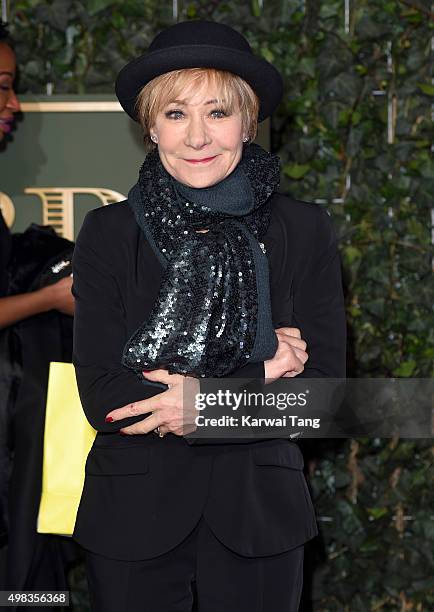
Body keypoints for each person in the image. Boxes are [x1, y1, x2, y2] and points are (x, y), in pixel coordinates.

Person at [72, 20, 346, 612]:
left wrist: (198, 401)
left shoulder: (303, 229)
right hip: (131, 519)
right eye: (175, 113)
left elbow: (324, 400)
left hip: (260, 517)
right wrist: (261, 368)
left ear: (248, 122)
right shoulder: (108, 234)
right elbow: (104, 396)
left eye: (218, 112)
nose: (198, 136)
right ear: (149, 126)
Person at [0, 21, 79, 598]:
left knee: (27, 584)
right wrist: (51, 297)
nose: (15, 104)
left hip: (18, 438)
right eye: (2, 86)